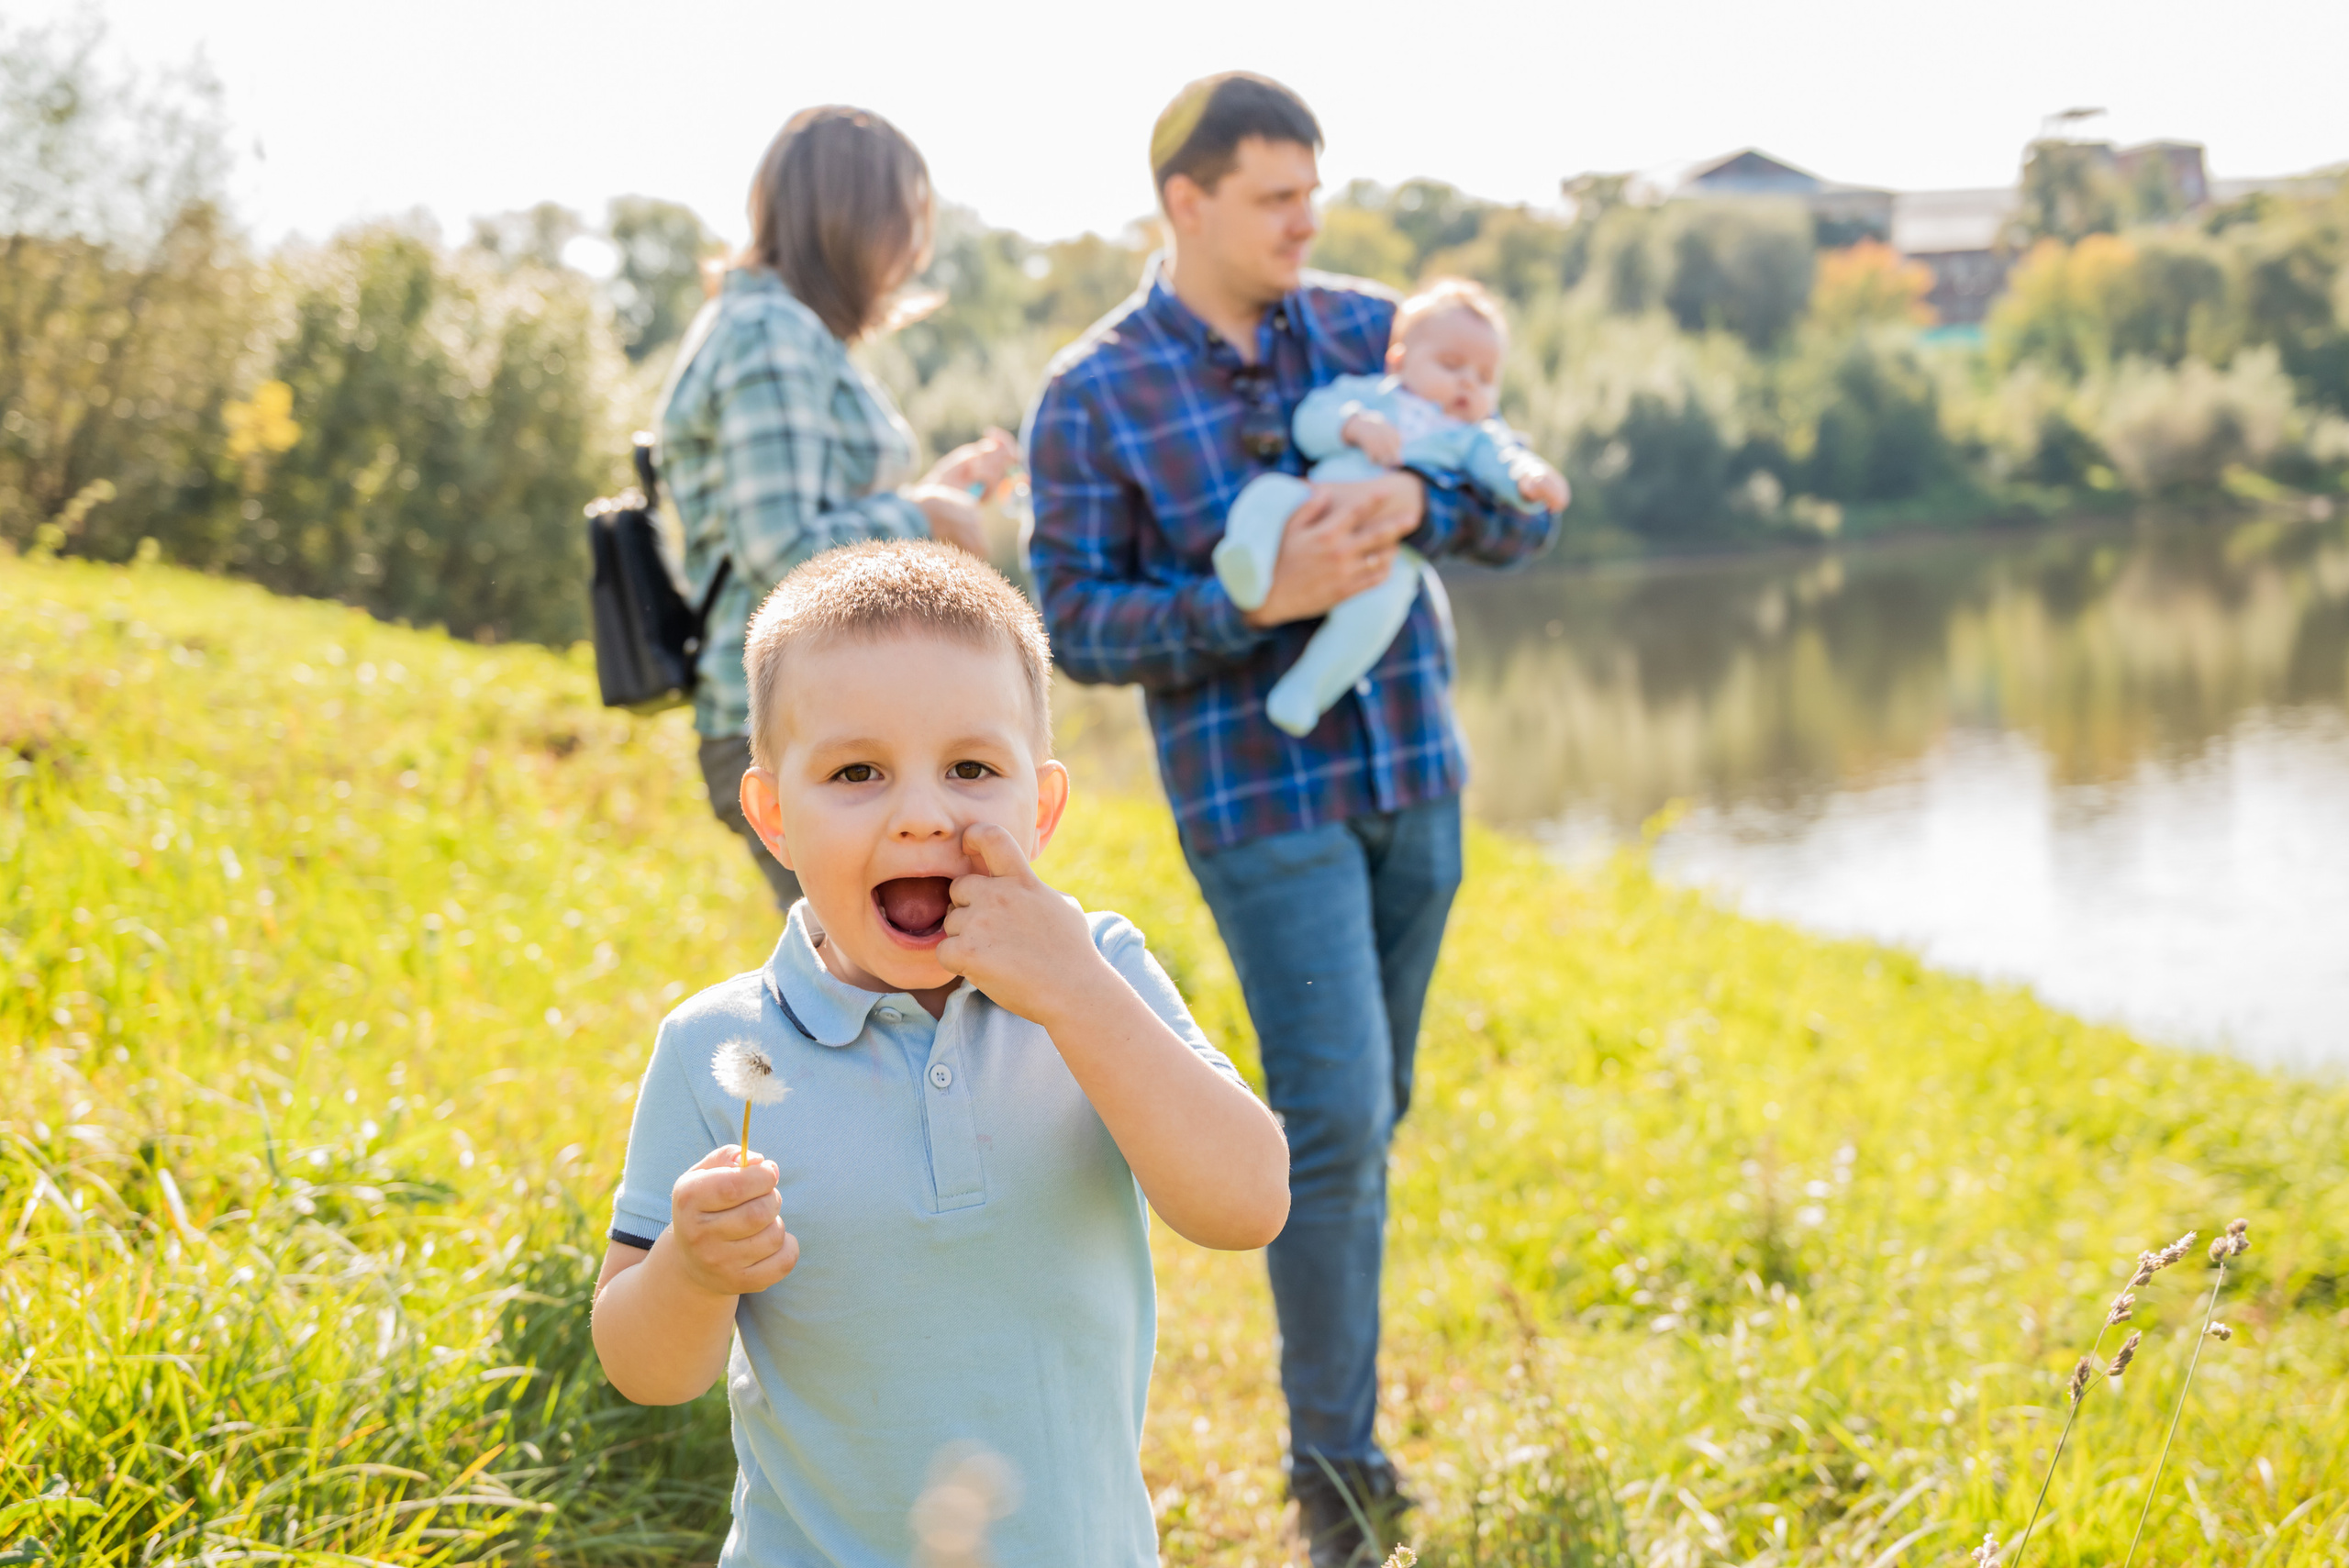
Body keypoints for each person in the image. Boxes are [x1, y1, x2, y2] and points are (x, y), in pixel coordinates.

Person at [1023, 72, 1560, 1566]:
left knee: (1367, 1114)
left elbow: (1521, 504)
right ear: (1185, 202)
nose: (1306, 224)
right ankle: (1337, 1476)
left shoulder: (1372, 329)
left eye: (1313, 194)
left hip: (1417, 779)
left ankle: (1338, 1417)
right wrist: (1250, 601)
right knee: (1331, 1116)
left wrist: (1423, 510)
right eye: (1274, 198)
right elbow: (1074, 623)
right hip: (1261, 806)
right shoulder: (1093, 393)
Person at [590, 540, 1290, 1565]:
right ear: (773, 816)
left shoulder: (1099, 973)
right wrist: (691, 1273)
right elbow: (645, 1370)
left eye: (971, 768)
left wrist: (1075, 991)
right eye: (856, 771)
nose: (922, 815)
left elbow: (1248, 1203)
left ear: (1039, 808)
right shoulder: (719, 1045)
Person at [656, 104, 1019, 910]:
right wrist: (922, 518)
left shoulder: (780, 329)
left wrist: (932, 495)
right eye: (904, 223)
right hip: (806, 732)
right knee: (895, 976)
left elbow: (813, 519)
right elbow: (783, 550)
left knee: (904, 973)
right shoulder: (770, 334)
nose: (912, 253)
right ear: (857, 221)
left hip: (838, 727)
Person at [1215, 275, 1567, 735]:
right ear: (1398, 361)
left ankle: (1306, 690)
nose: (1467, 382)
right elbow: (1310, 423)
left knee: (1375, 617)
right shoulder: (1368, 395)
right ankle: (1250, 561)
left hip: (1387, 554)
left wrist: (1528, 477)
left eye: (1485, 378)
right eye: (1450, 365)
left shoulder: (1471, 435)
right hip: (1318, 498)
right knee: (1268, 496)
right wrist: (1352, 426)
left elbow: (1503, 464)